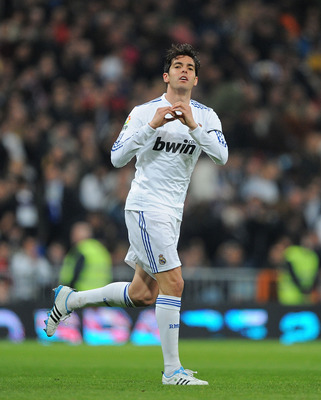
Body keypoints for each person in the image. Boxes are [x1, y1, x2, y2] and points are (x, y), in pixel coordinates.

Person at [45, 43, 228, 385]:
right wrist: (150, 128)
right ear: (166, 75)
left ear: (197, 79)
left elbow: (222, 156)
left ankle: (70, 300)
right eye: (177, 65)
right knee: (174, 282)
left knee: (143, 294)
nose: (184, 70)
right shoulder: (144, 112)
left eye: (190, 66)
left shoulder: (206, 116)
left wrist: (193, 127)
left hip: (173, 213)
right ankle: (172, 370)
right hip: (146, 206)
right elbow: (116, 157)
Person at [59, 221, 112, 290]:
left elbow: (76, 272)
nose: (72, 236)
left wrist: (68, 289)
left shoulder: (81, 249)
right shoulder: (101, 249)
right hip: (101, 294)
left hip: (81, 294)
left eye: (74, 233)